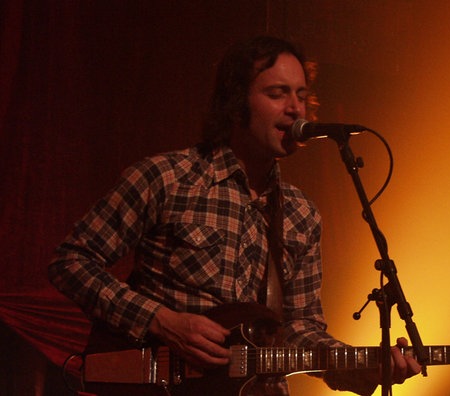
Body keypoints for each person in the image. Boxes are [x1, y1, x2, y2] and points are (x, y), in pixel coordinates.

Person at [48, 35, 421, 395]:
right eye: (277, 93)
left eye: (302, 95)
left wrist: (362, 366)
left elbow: (300, 330)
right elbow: (71, 262)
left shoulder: (301, 214)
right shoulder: (167, 179)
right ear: (235, 100)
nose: (295, 109)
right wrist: (160, 320)